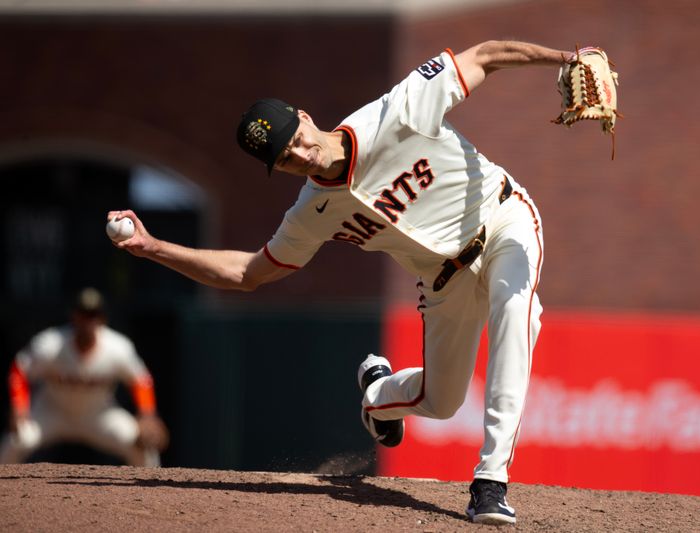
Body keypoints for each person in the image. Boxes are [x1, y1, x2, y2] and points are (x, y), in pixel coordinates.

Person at [108, 39, 576, 525]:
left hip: (502, 219)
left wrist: (569, 58)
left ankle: (490, 479)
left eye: (294, 136)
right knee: (441, 402)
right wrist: (153, 248)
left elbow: (484, 55)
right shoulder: (312, 212)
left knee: (516, 310)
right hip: (442, 282)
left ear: (306, 116)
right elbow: (249, 273)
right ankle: (378, 393)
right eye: (283, 156)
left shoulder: (396, 112)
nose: (298, 152)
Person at [0, 288, 169, 467]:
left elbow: (141, 380)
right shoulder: (51, 344)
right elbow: (20, 371)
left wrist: (147, 414)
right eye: (84, 313)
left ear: (103, 319)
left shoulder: (117, 347)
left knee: (141, 446)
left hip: (98, 414)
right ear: (73, 316)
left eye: (94, 314)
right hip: (51, 410)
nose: (89, 320)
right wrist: (19, 407)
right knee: (17, 439)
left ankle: (151, 493)